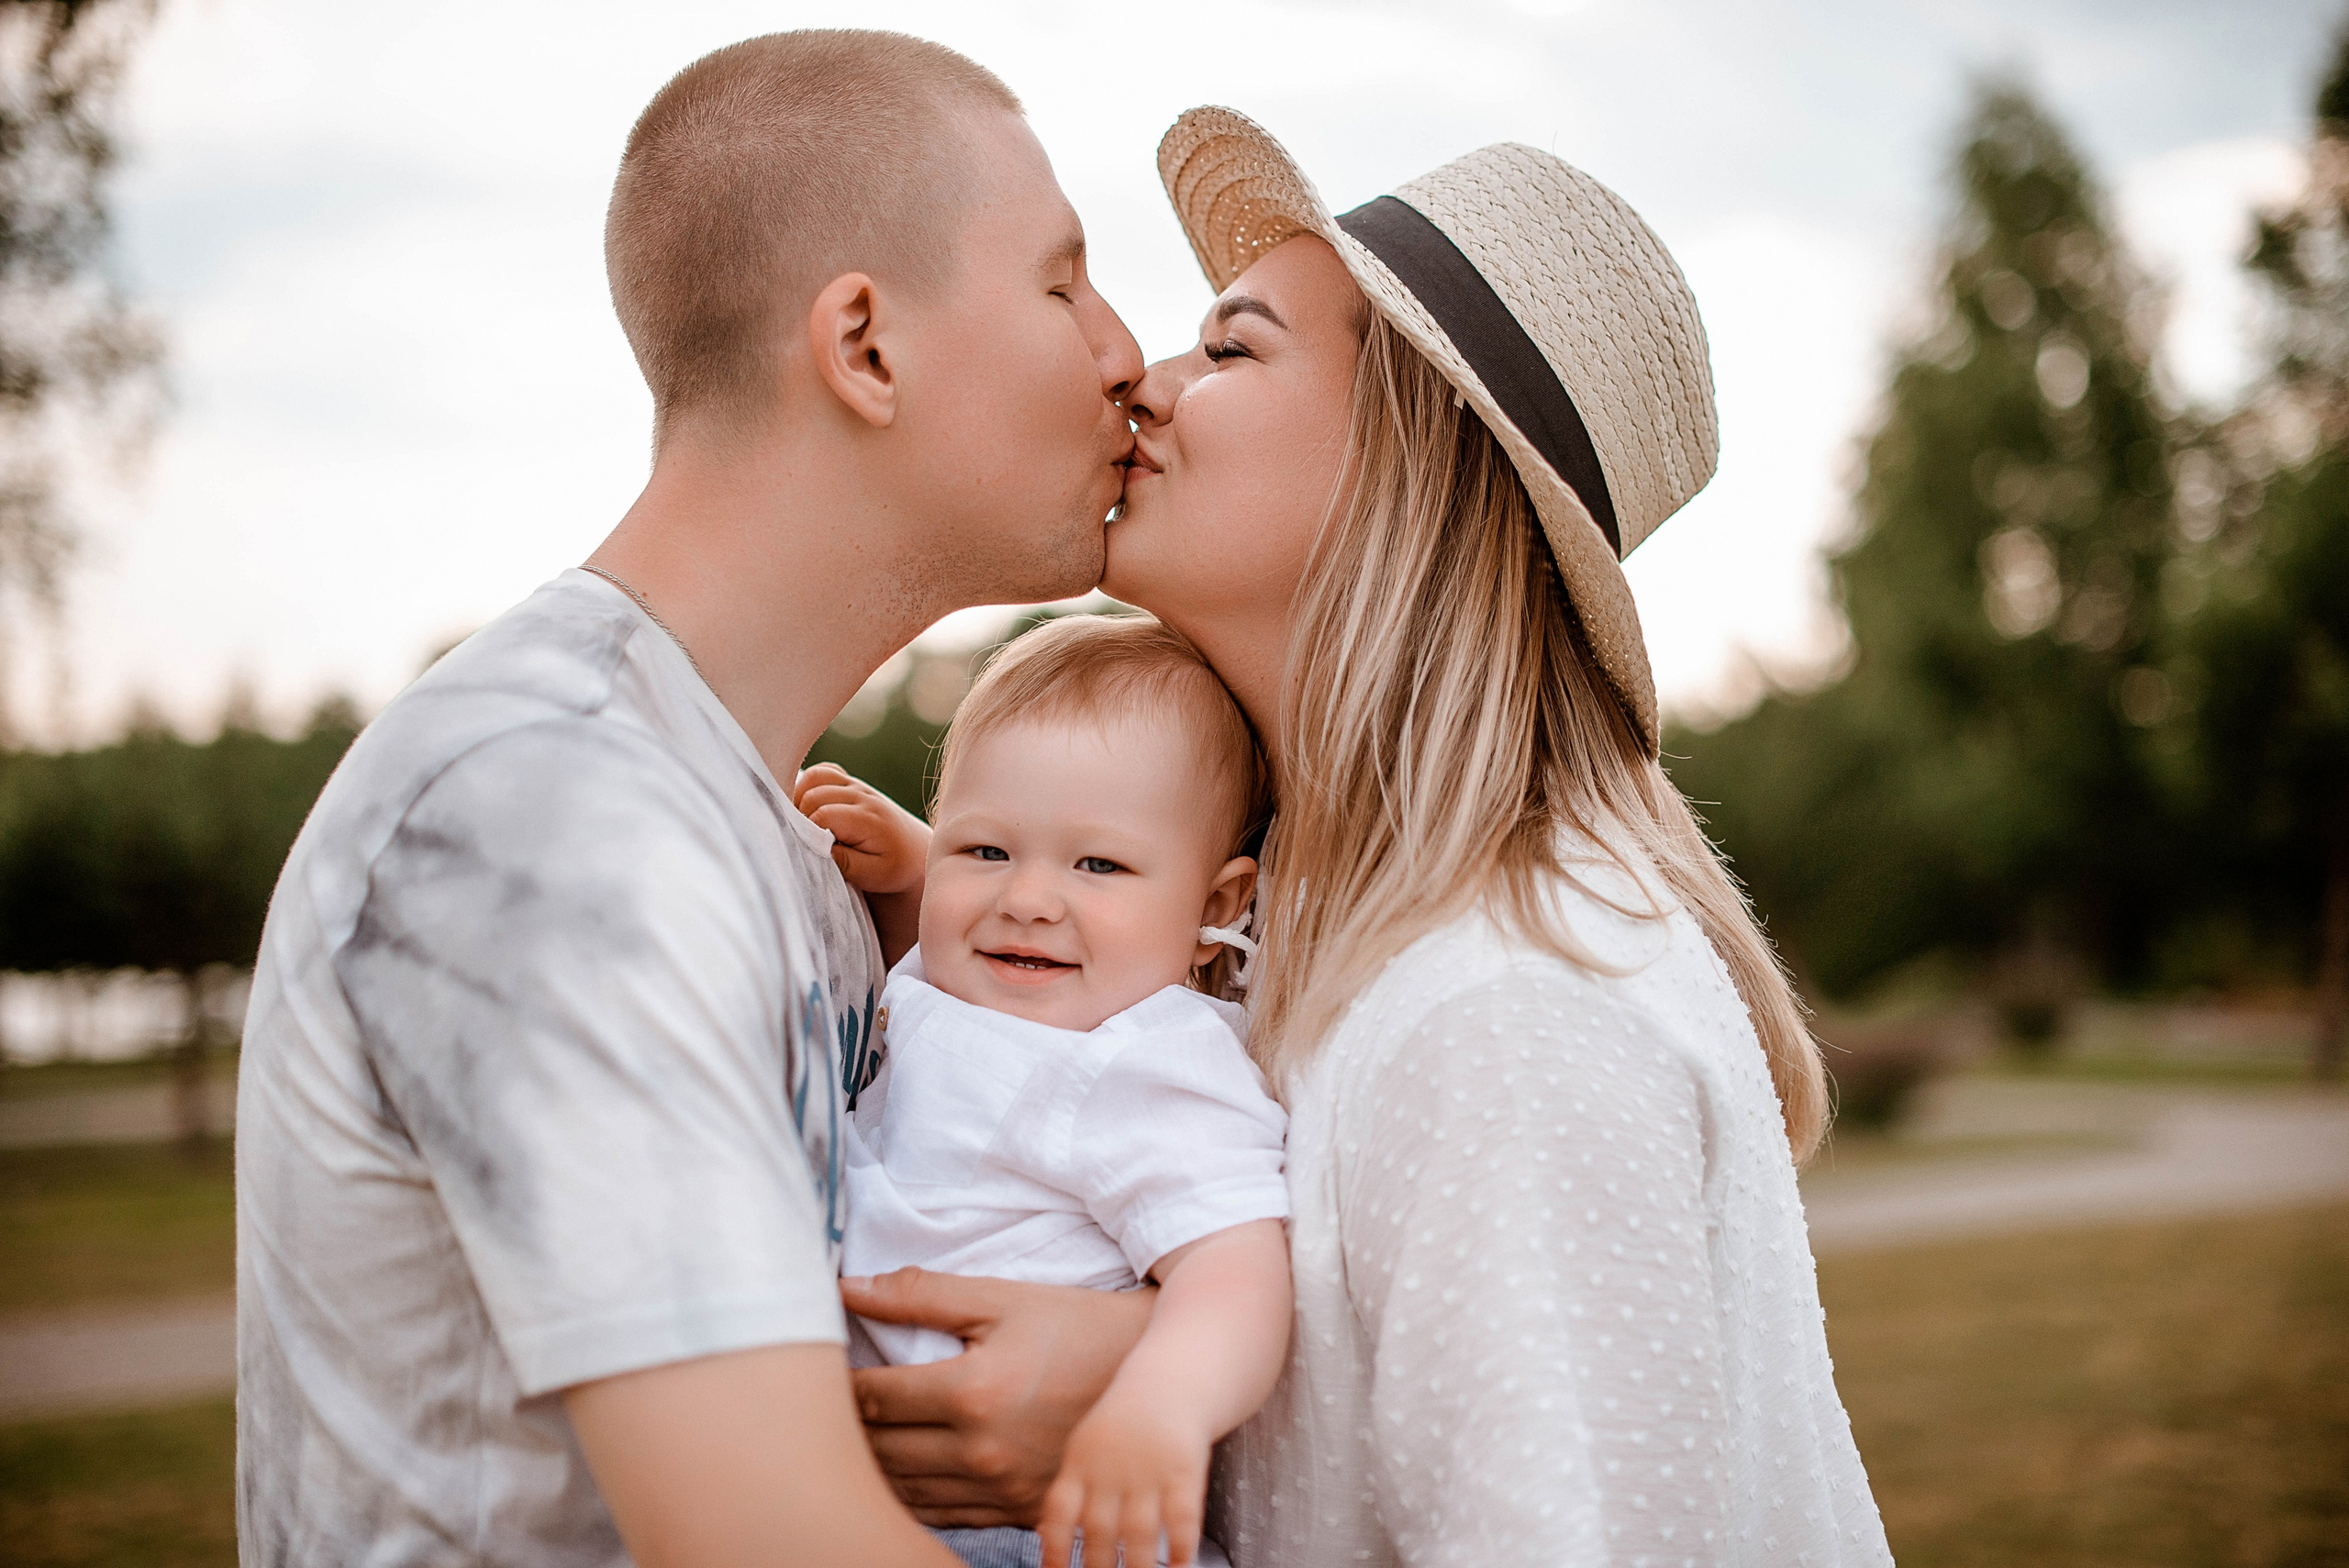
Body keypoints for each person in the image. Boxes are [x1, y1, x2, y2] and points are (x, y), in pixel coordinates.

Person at [845, 108, 1896, 1566]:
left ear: (1415, 457)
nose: (1141, 384)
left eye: (1231, 349)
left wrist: (1141, 1408)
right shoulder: (1303, 921)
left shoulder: (1515, 1013)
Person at [233, 31, 1141, 1568]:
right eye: (1063, 284)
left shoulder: (761, 835)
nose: (1124, 351)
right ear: (865, 345)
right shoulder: (552, 814)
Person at [805, 613, 1293, 1568]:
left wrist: (1161, 1403)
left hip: (1036, 1524)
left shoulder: (1147, 1057)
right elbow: (951, 1009)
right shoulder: (984, 975)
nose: (1027, 898)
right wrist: (918, 864)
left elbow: (1235, 1267)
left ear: (1215, 907)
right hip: (885, 1490)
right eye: (987, 851)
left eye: (1097, 864)